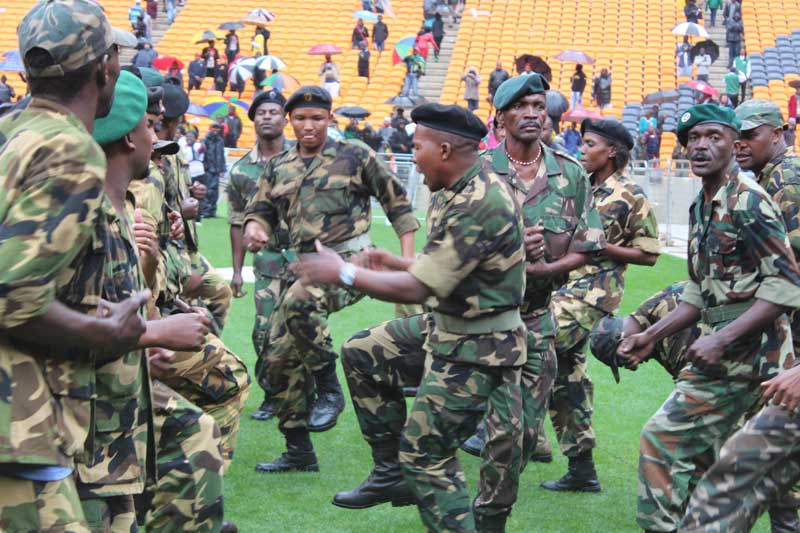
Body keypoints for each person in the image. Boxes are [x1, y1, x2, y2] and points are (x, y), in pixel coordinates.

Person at [300, 103, 527, 532]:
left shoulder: (478, 201)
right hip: (449, 328)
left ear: (443, 149)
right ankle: (390, 474)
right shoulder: (459, 189)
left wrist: (345, 272)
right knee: (363, 351)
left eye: (416, 146)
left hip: (478, 346)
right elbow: (450, 265)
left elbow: (421, 289)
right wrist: (398, 262)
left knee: (425, 454)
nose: (411, 154)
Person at [0, 2, 149, 530]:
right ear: (106, 66)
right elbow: (13, 297)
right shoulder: (68, 149)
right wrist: (105, 332)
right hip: (17, 419)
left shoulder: (10, 131)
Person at [619, 103, 800, 532]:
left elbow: (785, 285)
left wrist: (721, 338)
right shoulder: (701, 206)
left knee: (715, 457)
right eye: (693, 139)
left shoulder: (749, 203)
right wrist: (651, 333)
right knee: (702, 454)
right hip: (721, 355)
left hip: (759, 357)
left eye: (713, 137)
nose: (701, 146)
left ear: (734, 146)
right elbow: (698, 289)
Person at [243, 86, 419, 473]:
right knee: (276, 356)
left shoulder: (355, 155)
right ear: (291, 121)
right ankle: (298, 450)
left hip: (351, 261)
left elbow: (399, 205)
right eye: (301, 118)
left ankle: (329, 388)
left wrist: (407, 266)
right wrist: (255, 229)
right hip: (306, 264)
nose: (309, 126)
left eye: (317, 118)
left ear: (329, 119)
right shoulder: (279, 166)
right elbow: (259, 211)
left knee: (298, 301)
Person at [460, 74, 608, 484]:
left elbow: (590, 244)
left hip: (537, 321)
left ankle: (493, 503)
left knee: (524, 434)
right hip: (481, 319)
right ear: (501, 116)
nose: (531, 114)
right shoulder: (477, 171)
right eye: (520, 107)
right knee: (469, 423)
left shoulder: (571, 174)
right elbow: (447, 247)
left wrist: (547, 269)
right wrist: (506, 251)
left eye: (538, 106)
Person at [679, 99, 800, 533]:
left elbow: (790, 273)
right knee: (764, 462)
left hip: (785, 338)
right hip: (777, 335)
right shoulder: (757, 183)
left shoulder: (788, 182)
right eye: (740, 134)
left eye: (749, 134)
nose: (741, 142)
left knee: (750, 466)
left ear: (780, 132)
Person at [539, 117, 660, 494]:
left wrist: (604, 248)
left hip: (591, 294)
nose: (582, 149)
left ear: (611, 151)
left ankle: (488, 426)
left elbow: (649, 254)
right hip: (562, 287)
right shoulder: (580, 187)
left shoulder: (629, 195)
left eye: (590, 144)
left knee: (527, 341)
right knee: (566, 379)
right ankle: (582, 470)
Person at [227, 90, 294, 421]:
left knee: (302, 327)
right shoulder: (241, 172)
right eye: (261, 112)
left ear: (285, 119)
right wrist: (238, 272)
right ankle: (272, 393)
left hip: (304, 260)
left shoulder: (305, 158)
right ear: (253, 120)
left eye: (274, 111)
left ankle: (306, 394)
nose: (267, 116)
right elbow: (237, 223)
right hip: (266, 262)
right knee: (264, 331)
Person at [202, 122, 225, 217]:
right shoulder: (205, 139)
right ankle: (205, 211)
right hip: (208, 169)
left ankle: (212, 211)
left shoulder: (220, 140)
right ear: (210, 128)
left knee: (215, 191)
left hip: (216, 169)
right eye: (214, 128)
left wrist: (222, 169)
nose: (216, 130)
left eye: (218, 128)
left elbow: (221, 155)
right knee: (208, 190)